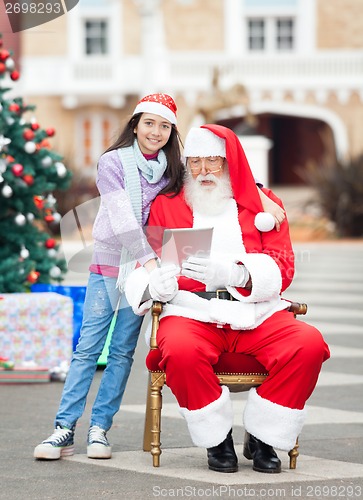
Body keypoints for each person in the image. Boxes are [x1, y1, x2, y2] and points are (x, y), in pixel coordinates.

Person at [125, 124, 330, 474]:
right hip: (193, 311)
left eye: (213, 162)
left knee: (308, 344)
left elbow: (283, 266)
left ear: (230, 164)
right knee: (179, 349)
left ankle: (263, 436)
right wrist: (151, 285)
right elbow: (144, 259)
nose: (203, 171)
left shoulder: (264, 208)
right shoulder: (167, 205)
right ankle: (217, 440)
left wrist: (237, 274)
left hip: (256, 312)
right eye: (195, 163)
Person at [34, 93, 185, 460]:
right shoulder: (112, 163)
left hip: (144, 272)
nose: (156, 132)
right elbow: (121, 220)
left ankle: (100, 429)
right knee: (88, 347)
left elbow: (214, 184)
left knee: (121, 353)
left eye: (164, 126)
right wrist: (151, 265)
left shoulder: (173, 169)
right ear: (135, 125)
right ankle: (63, 429)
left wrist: (265, 203)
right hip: (110, 264)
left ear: (171, 132)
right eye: (149, 123)